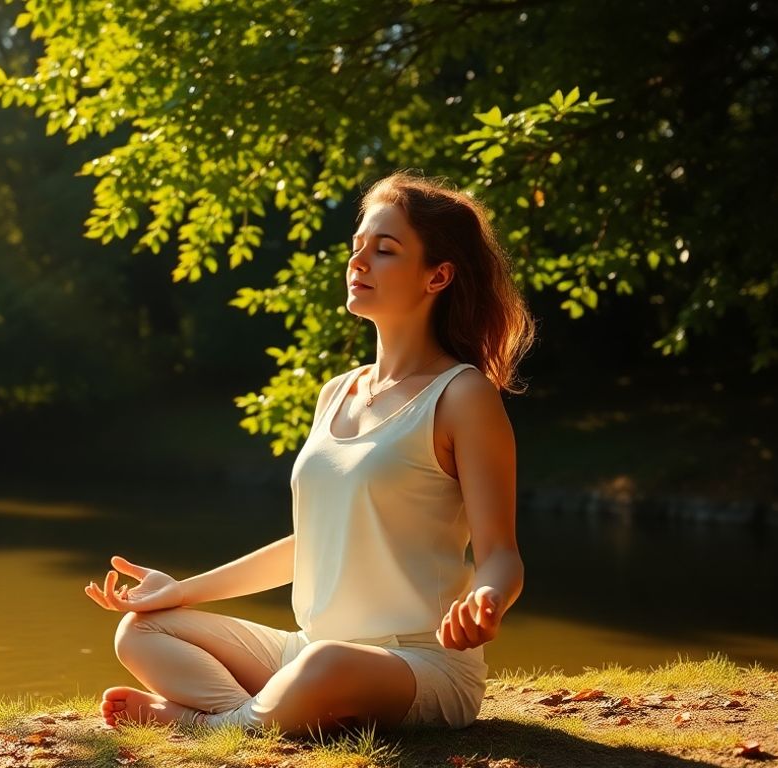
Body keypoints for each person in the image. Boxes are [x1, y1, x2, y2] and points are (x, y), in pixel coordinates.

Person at [83, 170, 535, 738]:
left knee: (325, 666)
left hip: (419, 664)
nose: (358, 262)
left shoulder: (463, 395)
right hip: (310, 649)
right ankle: (252, 717)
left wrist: (487, 599)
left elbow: (501, 554)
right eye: (357, 246)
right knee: (142, 630)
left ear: (437, 275)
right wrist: (180, 591)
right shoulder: (336, 392)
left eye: (385, 250)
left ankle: (215, 725)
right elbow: (311, 543)